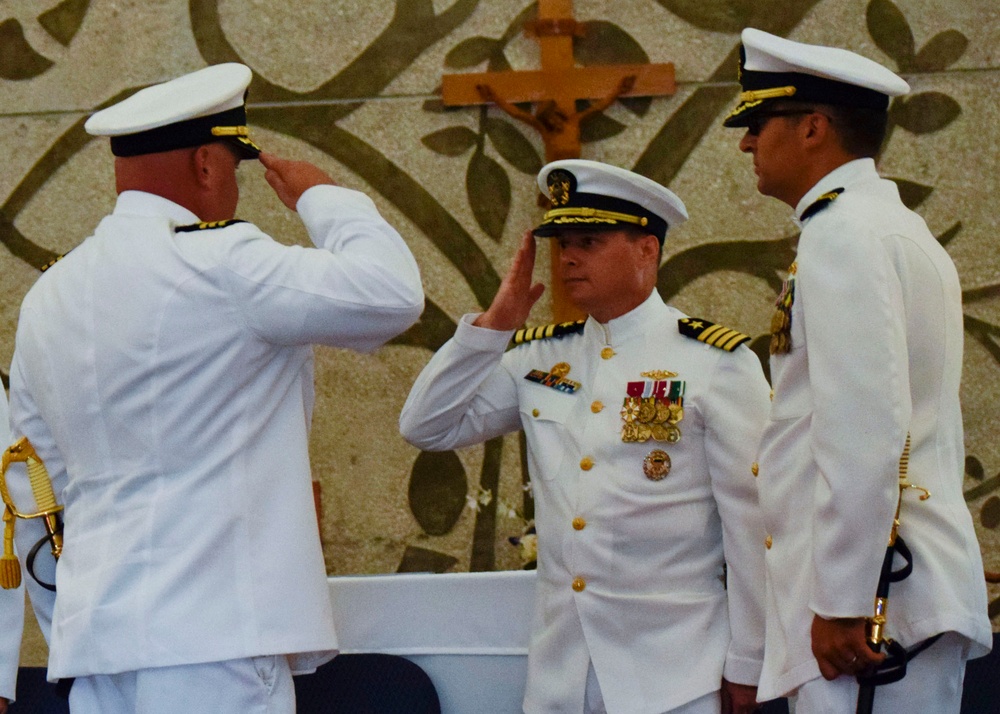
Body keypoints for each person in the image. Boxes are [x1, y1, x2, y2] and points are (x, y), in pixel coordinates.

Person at [6, 62, 424, 714]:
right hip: (216, 638)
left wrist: (72, 615)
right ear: (206, 164)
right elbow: (393, 295)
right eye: (232, 168)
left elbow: (36, 482)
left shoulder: (48, 299)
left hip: (98, 646)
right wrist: (327, 200)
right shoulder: (222, 262)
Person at [400, 159, 770, 714]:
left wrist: (750, 662)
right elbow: (426, 425)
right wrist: (492, 329)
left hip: (676, 673)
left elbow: (754, 525)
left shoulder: (715, 362)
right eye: (562, 242)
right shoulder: (540, 355)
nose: (569, 256)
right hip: (562, 677)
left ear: (647, 249)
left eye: (590, 241)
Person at [723, 28, 992, 712]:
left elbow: (865, 425)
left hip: (872, 609)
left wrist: (843, 602)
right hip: (882, 594)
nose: (747, 142)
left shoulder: (843, 236)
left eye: (758, 122)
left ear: (812, 127)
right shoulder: (885, 226)